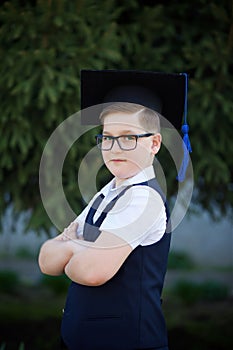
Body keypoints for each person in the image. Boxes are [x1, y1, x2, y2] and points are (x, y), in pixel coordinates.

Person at [38, 70, 189, 350]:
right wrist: (82, 247)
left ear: (154, 143)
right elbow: (46, 260)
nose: (114, 147)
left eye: (128, 137)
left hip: (126, 342)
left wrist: (71, 242)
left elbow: (91, 270)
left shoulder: (143, 200)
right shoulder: (106, 193)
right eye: (107, 137)